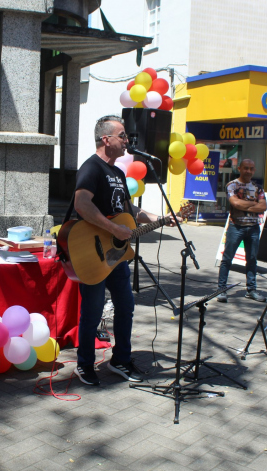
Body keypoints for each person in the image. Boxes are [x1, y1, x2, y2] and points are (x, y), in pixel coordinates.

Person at [72, 115, 179, 386]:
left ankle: (120, 359)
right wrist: (112, 228)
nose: (127, 141)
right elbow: (82, 204)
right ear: (106, 139)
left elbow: (128, 210)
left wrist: (162, 218)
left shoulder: (118, 174)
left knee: (126, 307)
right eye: (122, 136)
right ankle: (84, 364)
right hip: (93, 253)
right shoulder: (91, 168)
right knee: (93, 311)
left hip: (117, 256)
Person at [216, 159, 267, 303]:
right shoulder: (232, 185)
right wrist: (254, 204)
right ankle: (221, 289)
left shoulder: (258, 187)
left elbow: (263, 207)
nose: (248, 171)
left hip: (253, 228)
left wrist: (245, 205)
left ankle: (251, 290)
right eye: (246, 168)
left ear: (254, 170)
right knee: (227, 259)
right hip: (236, 227)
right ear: (239, 168)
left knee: (252, 260)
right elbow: (235, 203)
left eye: (251, 168)